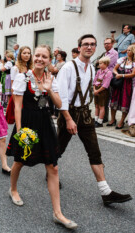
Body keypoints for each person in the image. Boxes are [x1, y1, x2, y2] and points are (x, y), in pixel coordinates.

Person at [6, 45, 76, 229]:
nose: (39, 59)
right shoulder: (23, 77)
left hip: (45, 123)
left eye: (44, 56)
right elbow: (17, 106)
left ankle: (58, 213)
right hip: (27, 123)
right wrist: (20, 132)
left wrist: (49, 90)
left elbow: (60, 104)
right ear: (32, 57)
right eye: (37, 55)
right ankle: (13, 189)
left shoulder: (51, 78)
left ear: (49, 59)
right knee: (20, 161)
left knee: (53, 167)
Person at [57, 34, 132, 205]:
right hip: (68, 113)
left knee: (94, 152)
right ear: (79, 47)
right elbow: (60, 97)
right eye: (85, 44)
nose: (89, 47)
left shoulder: (91, 68)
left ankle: (106, 192)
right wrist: (68, 119)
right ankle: (51, 173)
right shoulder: (68, 68)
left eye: (92, 44)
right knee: (58, 149)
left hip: (85, 114)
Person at [108, 44, 135, 129]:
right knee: (114, 100)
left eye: (129, 50)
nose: (127, 51)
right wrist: (117, 74)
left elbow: (132, 74)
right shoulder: (122, 59)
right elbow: (114, 69)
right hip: (119, 83)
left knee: (125, 102)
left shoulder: (134, 63)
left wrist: (121, 75)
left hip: (128, 85)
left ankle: (121, 121)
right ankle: (112, 120)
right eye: (127, 50)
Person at [6, 46, 33, 124]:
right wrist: (17, 103)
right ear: (20, 55)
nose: (27, 55)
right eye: (24, 53)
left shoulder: (31, 68)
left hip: (29, 97)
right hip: (18, 97)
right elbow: (13, 87)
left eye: (28, 53)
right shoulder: (15, 68)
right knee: (20, 121)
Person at [93, 57, 113, 127]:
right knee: (96, 105)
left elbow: (105, 85)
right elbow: (94, 81)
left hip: (103, 91)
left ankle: (100, 121)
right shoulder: (99, 71)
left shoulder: (108, 73)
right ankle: (95, 119)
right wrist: (94, 89)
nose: (99, 65)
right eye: (99, 63)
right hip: (96, 89)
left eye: (101, 63)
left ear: (106, 64)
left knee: (102, 106)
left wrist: (97, 91)